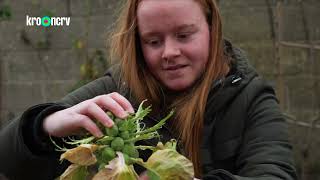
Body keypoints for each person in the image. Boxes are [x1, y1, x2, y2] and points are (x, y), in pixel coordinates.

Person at [0, 0, 297, 179]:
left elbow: (275, 174)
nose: (169, 52)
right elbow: (8, 160)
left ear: (211, 28)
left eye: (184, 35)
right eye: (153, 41)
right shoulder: (118, 89)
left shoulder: (251, 97)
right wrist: (46, 124)